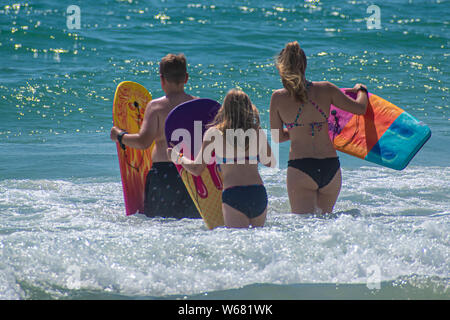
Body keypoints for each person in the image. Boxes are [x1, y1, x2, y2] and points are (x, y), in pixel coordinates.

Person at [270, 41, 368, 214]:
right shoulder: (326, 89)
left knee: (303, 227)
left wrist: (297, 130)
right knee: (325, 224)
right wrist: (362, 91)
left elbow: (278, 137)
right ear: (305, 64)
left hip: (301, 168)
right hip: (330, 167)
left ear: (282, 68)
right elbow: (360, 109)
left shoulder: (278, 98)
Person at [167, 89, 276, 228]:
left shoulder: (214, 133)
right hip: (258, 192)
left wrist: (177, 156)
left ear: (224, 110)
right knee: (257, 242)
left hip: (234, 194)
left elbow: (196, 169)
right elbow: (270, 162)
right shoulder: (256, 131)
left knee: (237, 244)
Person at [110, 53, 200, 219]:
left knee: (160, 225)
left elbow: (143, 142)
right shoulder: (198, 105)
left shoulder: (156, 107)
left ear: (162, 79)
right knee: (189, 224)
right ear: (186, 78)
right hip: (191, 174)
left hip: (163, 174)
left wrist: (120, 136)